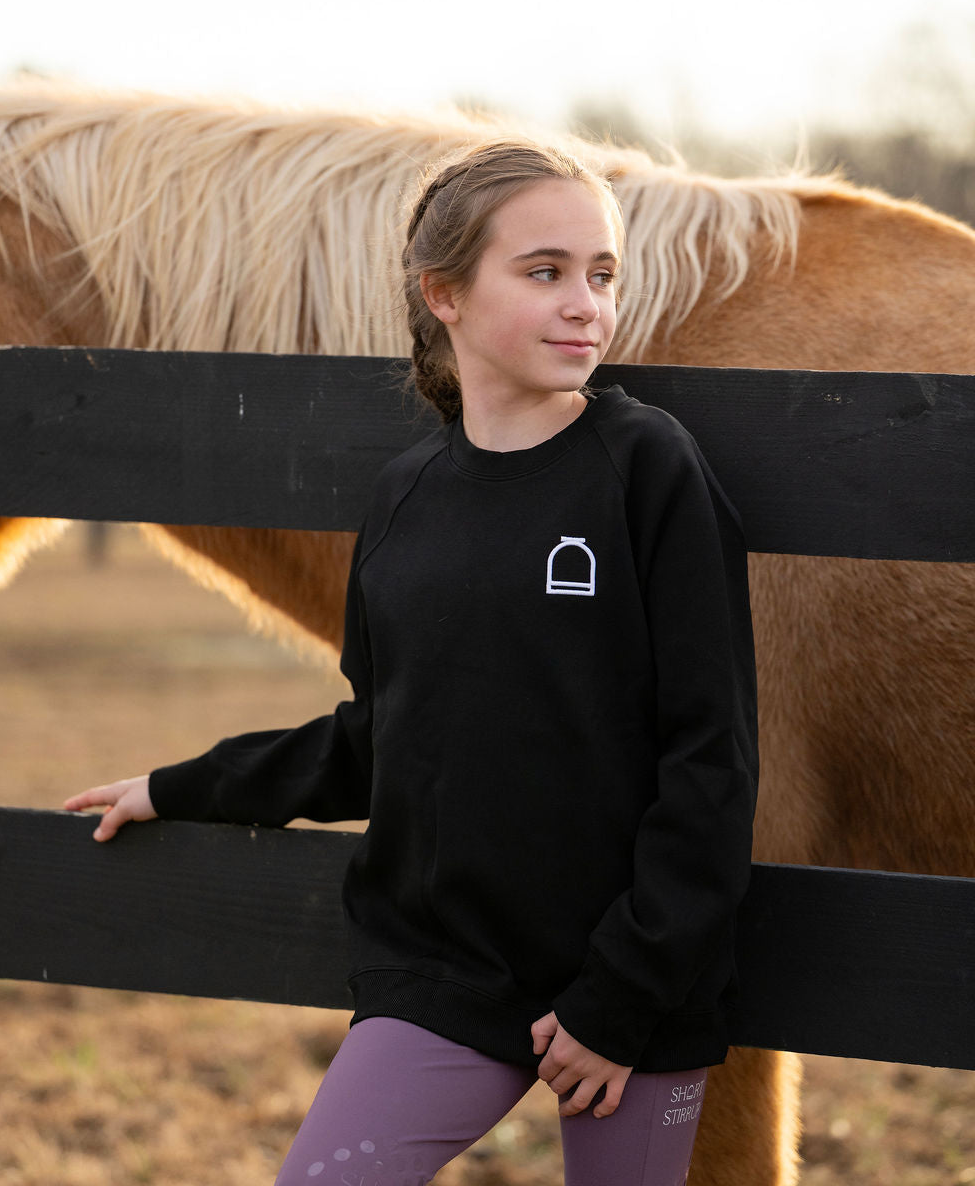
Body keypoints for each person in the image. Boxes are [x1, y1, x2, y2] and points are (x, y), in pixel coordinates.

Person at [65, 138, 758, 1186]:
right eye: (545, 272)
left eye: (602, 274)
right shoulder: (405, 496)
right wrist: (183, 786)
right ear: (445, 293)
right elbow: (379, 734)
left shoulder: (649, 469)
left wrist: (621, 999)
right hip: (445, 979)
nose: (585, 305)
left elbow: (712, 758)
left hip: (633, 996)